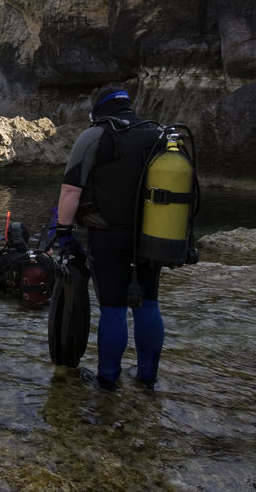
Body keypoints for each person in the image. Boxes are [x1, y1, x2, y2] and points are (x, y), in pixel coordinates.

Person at [55, 86, 166, 390]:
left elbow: (71, 190)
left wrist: (63, 231)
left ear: (98, 109)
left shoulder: (96, 135)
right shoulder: (157, 133)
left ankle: (107, 380)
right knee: (148, 304)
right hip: (155, 234)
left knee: (114, 308)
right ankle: (147, 377)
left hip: (109, 236)